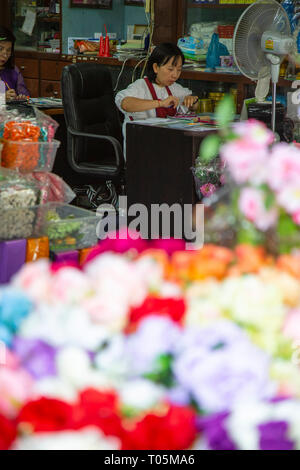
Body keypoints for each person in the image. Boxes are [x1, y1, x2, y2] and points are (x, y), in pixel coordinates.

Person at [115, 42, 198, 152]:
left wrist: (192, 101)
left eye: (179, 70)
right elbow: (125, 104)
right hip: (142, 149)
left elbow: (194, 104)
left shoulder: (174, 88)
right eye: (170, 69)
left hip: (166, 146)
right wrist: (160, 103)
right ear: (155, 67)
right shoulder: (140, 86)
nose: (175, 75)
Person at [0, 26, 30, 101]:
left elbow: (26, 95)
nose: (5, 54)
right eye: (0, 49)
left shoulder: (13, 70)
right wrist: (2, 97)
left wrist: (22, 97)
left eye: (8, 50)